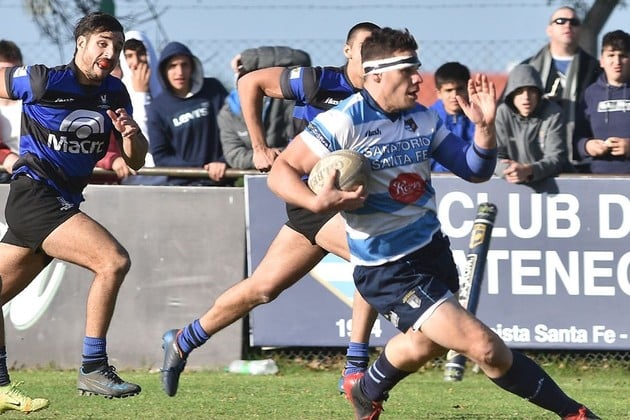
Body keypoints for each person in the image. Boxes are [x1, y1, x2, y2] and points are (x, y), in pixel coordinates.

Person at [267, 27, 599, 420]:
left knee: (426, 343)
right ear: (376, 75)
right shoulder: (343, 121)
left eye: (417, 68)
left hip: (431, 252)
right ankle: (576, 414)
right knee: (484, 346)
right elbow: (281, 172)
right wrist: (314, 200)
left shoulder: (423, 118)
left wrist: (484, 129)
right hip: (388, 269)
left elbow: (474, 170)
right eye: (407, 70)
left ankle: (367, 389)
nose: (417, 78)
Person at [159, 22, 402, 398]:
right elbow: (249, 82)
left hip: (351, 203)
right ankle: (355, 369)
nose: (372, 55)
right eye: (364, 47)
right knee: (372, 254)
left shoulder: (383, 97)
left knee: (262, 288)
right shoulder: (317, 81)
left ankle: (182, 340)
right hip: (310, 197)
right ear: (347, 51)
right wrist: (259, 146)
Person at [0, 12, 148, 411]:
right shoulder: (42, 80)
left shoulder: (114, 91)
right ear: (80, 43)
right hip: (35, 195)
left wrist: (131, 134)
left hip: (61, 199)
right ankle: (93, 367)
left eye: (116, 46)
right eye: (102, 42)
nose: (110, 52)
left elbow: (136, 161)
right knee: (113, 261)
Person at [522, 5, 600, 170]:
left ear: (580, 29)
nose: (567, 25)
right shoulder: (527, 69)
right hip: (535, 161)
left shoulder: (594, 69)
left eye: (574, 22)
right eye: (560, 21)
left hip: (582, 159)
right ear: (549, 29)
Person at [148, 41, 230, 186]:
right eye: (172, 66)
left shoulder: (214, 89)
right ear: (163, 71)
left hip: (221, 180)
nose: (179, 72)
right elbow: (161, 157)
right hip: (181, 186)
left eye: (184, 65)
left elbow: (233, 130)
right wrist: (200, 168)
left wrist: (223, 161)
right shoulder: (157, 107)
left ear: (192, 66)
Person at [218, 46, 310, 169]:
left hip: (293, 167)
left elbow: (301, 61)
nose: (252, 86)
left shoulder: (284, 98)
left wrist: (252, 57)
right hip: (256, 173)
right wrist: (262, 156)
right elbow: (234, 154)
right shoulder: (228, 113)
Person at [495, 63, 569, 184]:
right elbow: (493, 157)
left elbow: (556, 158)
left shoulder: (553, 113)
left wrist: (529, 170)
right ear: (511, 94)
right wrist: (510, 170)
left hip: (553, 186)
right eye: (519, 91)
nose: (526, 97)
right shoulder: (502, 113)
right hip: (511, 182)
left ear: (539, 93)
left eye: (531, 91)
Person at [575, 30, 630, 174]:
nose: (617, 62)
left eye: (623, 56)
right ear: (602, 61)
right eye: (611, 55)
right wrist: (587, 146)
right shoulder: (590, 94)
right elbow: (576, 137)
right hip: (599, 178)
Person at [429, 62, 475, 173]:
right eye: (449, 90)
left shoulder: (478, 118)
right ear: (439, 93)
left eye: (460, 89)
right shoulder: (427, 120)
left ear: (468, 89)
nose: (454, 96)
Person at [0, 40, 23, 183]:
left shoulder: (34, 104)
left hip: (31, 170)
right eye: (1, 71)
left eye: (12, 72)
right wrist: (6, 157)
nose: (6, 78)